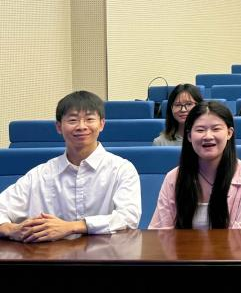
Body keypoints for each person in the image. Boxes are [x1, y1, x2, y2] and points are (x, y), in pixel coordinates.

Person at [0, 91, 141, 242]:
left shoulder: (121, 169)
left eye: (89, 119)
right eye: (73, 120)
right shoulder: (40, 175)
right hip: (51, 254)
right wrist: (12, 229)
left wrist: (72, 227)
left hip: (106, 253)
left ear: (101, 124)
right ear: (59, 127)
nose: (81, 126)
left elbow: (129, 218)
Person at [150, 101, 241, 229]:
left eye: (216, 129)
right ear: (189, 136)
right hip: (180, 243)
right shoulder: (174, 178)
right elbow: (161, 231)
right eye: (200, 130)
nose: (208, 136)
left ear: (229, 133)